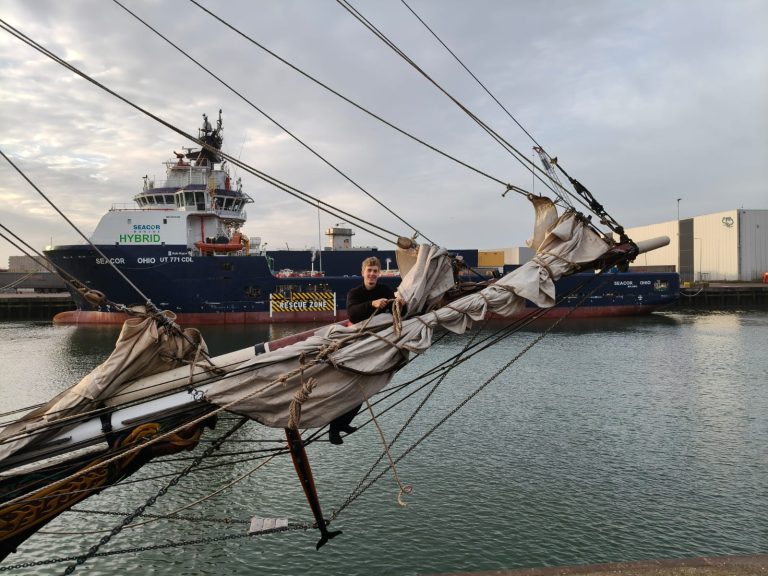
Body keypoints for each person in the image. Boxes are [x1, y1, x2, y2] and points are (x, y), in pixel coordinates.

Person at [328, 256, 398, 445]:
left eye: (375, 271)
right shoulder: (355, 293)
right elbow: (353, 314)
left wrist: (400, 304)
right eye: (369, 270)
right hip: (356, 343)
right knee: (352, 386)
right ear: (363, 273)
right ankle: (334, 429)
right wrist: (373, 304)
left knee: (363, 388)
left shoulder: (385, 290)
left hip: (375, 343)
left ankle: (343, 424)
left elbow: (396, 311)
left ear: (379, 273)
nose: (372, 274)